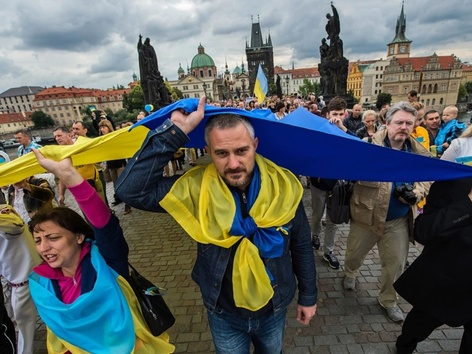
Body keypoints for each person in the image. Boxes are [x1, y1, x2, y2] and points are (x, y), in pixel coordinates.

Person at [116, 97, 317, 353]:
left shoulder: (283, 188)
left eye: (241, 151)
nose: (233, 164)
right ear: (209, 152)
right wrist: (175, 132)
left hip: (274, 308)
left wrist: (308, 296)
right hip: (223, 313)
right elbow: (130, 191)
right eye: (222, 153)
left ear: (255, 146)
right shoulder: (195, 189)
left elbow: (301, 245)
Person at [27, 149, 174, 353]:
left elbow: (105, 226)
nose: (44, 247)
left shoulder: (106, 262)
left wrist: (70, 177)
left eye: (53, 238)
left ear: (79, 237)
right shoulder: (41, 283)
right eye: (38, 240)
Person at [342, 102, 431, 322]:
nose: (404, 127)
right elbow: (349, 169)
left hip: (398, 219)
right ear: (387, 123)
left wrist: (417, 193)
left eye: (409, 123)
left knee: (396, 265)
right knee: (354, 254)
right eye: (399, 122)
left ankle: (388, 300)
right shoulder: (368, 145)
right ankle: (350, 272)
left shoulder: (419, 153)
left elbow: (427, 178)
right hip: (366, 215)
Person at [394, 177, 472, 353]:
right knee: (417, 327)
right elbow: (423, 230)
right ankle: (404, 346)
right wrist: (469, 202)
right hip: (446, 284)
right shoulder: (453, 181)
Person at [310, 97, 351, 270]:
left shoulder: (345, 130)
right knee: (318, 214)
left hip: (337, 184)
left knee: (333, 220)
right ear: (327, 114)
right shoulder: (319, 130)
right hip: (319, 182)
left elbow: (355, 147)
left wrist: (343, 130)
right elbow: (310, 154)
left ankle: (329, 251)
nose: (338, 117)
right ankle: (315, 235)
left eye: (341, 114)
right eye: (335, 114)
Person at [98, 120, 131, 214]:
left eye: (104, 127)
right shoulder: (102, 139)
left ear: (108, 127)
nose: (102, 129)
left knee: (122, 185)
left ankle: (127, 205)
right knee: (116, 186)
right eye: (101, 128)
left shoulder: (115, 135)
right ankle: (123, 200)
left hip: (120, 163)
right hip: (111, 165)